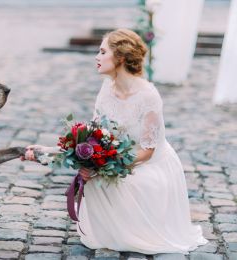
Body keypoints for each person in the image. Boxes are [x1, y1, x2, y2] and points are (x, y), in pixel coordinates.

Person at [22, 28, 208, 254]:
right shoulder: (106, 89)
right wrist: (50, 151)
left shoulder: (148, 96)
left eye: (102, 52)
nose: (97, 57)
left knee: (110, 180)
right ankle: (111, 231)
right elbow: (94, 134)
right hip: (118, 157)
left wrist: (103, 169)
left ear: (120, 57)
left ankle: (133, 233)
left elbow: (148, 151)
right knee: (90, 176)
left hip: (148, 165)